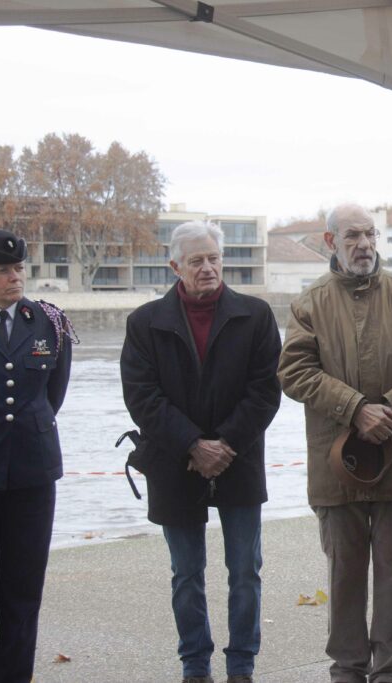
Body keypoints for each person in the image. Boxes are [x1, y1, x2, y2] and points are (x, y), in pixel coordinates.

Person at [277, 203, 392, 683]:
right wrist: (354, 408)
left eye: (370, 234)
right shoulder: (309, 304)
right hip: (336, 463)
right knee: (344, 575)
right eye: (352, 235)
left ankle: (389, 671)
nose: (364, 244)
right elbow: (293, 371)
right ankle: (347, 671)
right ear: (331, 242)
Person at [120, 221, 282, 683]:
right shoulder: (145, 323)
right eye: (196, 261)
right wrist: (192, 444)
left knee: (245, 570)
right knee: (186, 573)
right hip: (174, 462)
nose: (207, 267)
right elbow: (141, 396)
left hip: (240, 457)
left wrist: (225, 445)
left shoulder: (255, 315)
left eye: (213, 258)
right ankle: (195, 665)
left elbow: (266, 391)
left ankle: (241, 666)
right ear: (175, 266)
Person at [0, 229, 75, 683]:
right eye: (3, 271)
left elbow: (53, 394)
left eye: (18, 269)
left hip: (32, 475)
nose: (15, 277)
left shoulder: (49, 321)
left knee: (24, 592)